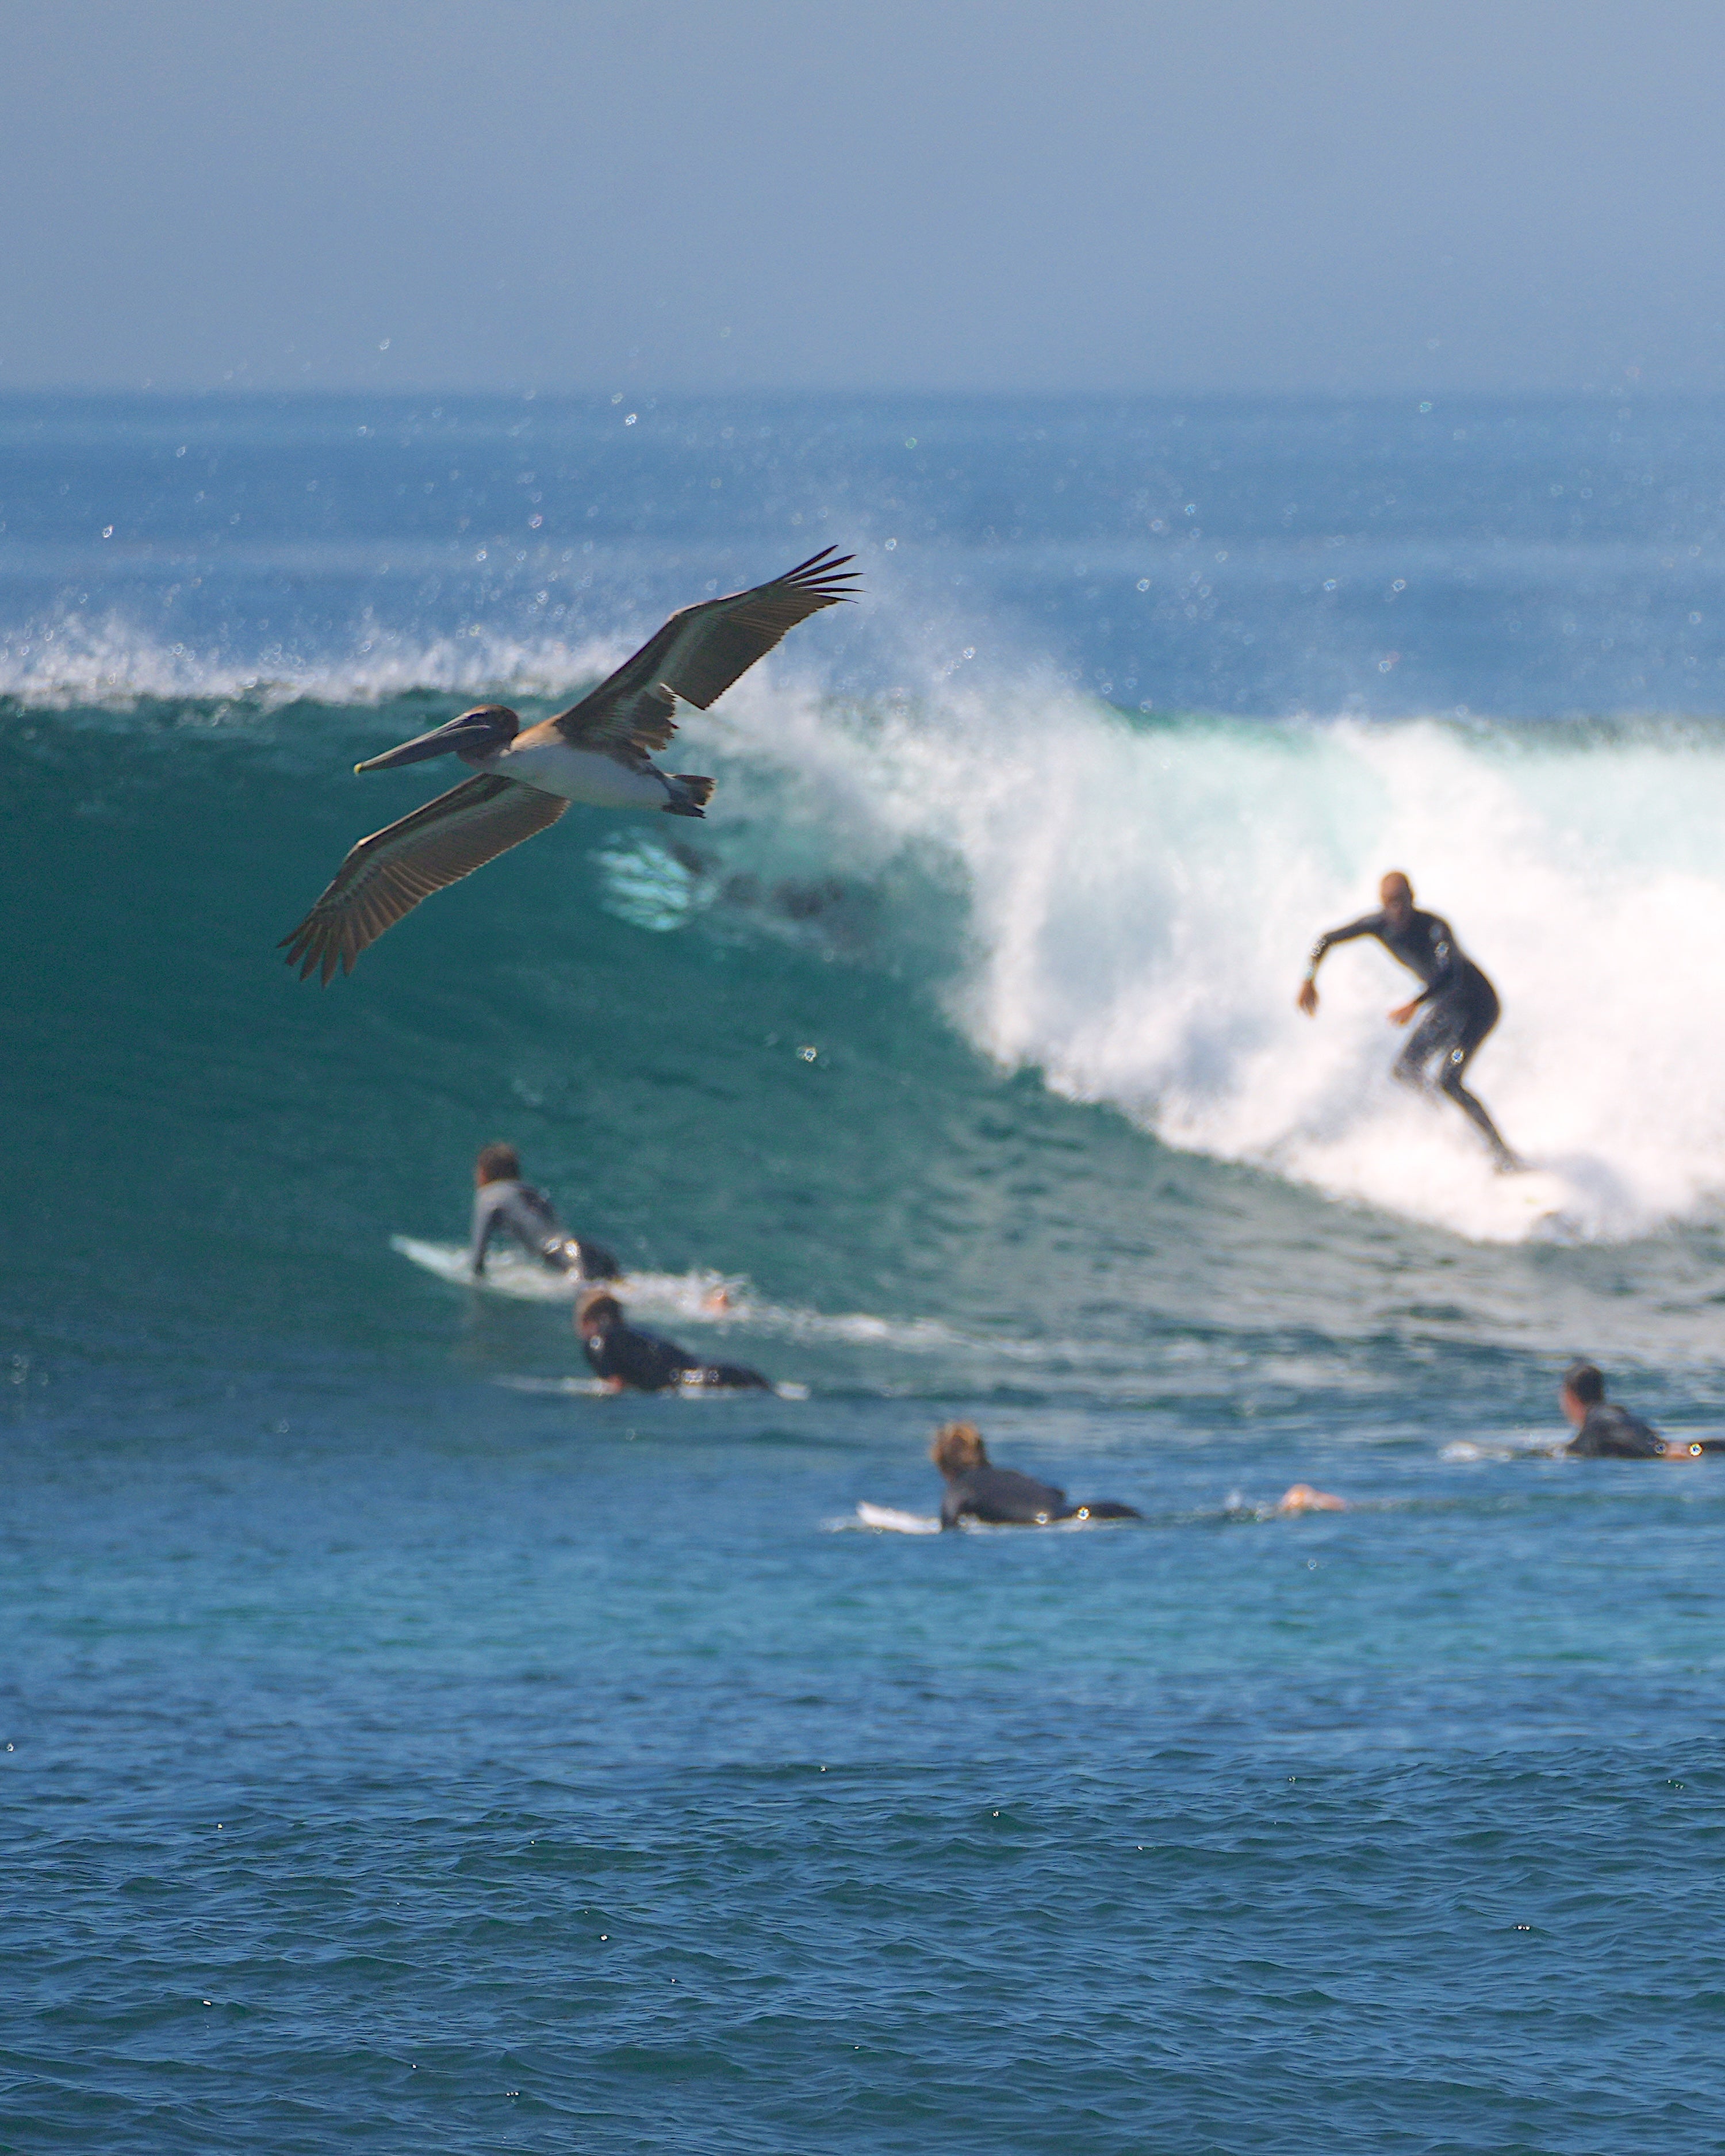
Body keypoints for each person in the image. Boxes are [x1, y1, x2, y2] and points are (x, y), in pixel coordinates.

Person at [1298, 871, 1519, 1171]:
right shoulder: (1377, 926)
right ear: (1382, 903)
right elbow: (1326, 939)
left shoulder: (1435, 929)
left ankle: (1502, 1154)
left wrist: (1414, 1004)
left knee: (1449, 1079)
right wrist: (1310, 979)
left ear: (1413, 898)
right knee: (1406, 1070)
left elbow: (1450, 975)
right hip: (1447, 1007)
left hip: (1479, 1006)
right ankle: (1450, 1128)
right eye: (1391, 904)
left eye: (1402, 902)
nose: (1398, 910)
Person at [929, 1422, 1143, 1530]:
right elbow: (1057, 1494)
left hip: (1042, 1526)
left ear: (942, 1464)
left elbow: (949, 1520)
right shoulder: (1013, 1477)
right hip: (1079, 1513)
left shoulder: (959, 1489)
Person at [467, 1143, 620, 1280]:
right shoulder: (530, 1192)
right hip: (588, 1251)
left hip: (564, 1259)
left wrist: (476, 1274)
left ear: (483, 1174)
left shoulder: (488, 1195)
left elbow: (477, 1260)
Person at [576, 1289, 770, 1394]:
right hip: (727, 1372)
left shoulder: (598, 1341)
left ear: (587, 1321)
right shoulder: (638, 1335)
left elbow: (615, 1385)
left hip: (700, 1384)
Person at [1558, 1360, 1709, 1460]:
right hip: (1664, 1448)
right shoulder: (1610, 1414)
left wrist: (1664, 1453)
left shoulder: (1598, 1422)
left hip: (1662, 1453)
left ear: (1570, 1397)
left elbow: (1576, 1448)